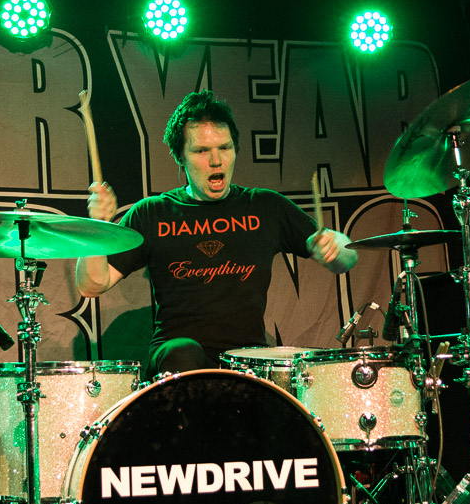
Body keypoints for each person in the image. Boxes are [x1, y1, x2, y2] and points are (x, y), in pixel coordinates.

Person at [76, 90, 357, 376]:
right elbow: (92, 285)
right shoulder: (152, 213)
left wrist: (335, 246)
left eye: (225, 148)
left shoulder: (264, 206)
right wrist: (96, 227)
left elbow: (347, 258)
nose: (216, 161)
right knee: (182, 351)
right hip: (176, 363)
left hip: (246, 364)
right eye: (201, 151)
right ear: (180, 157)